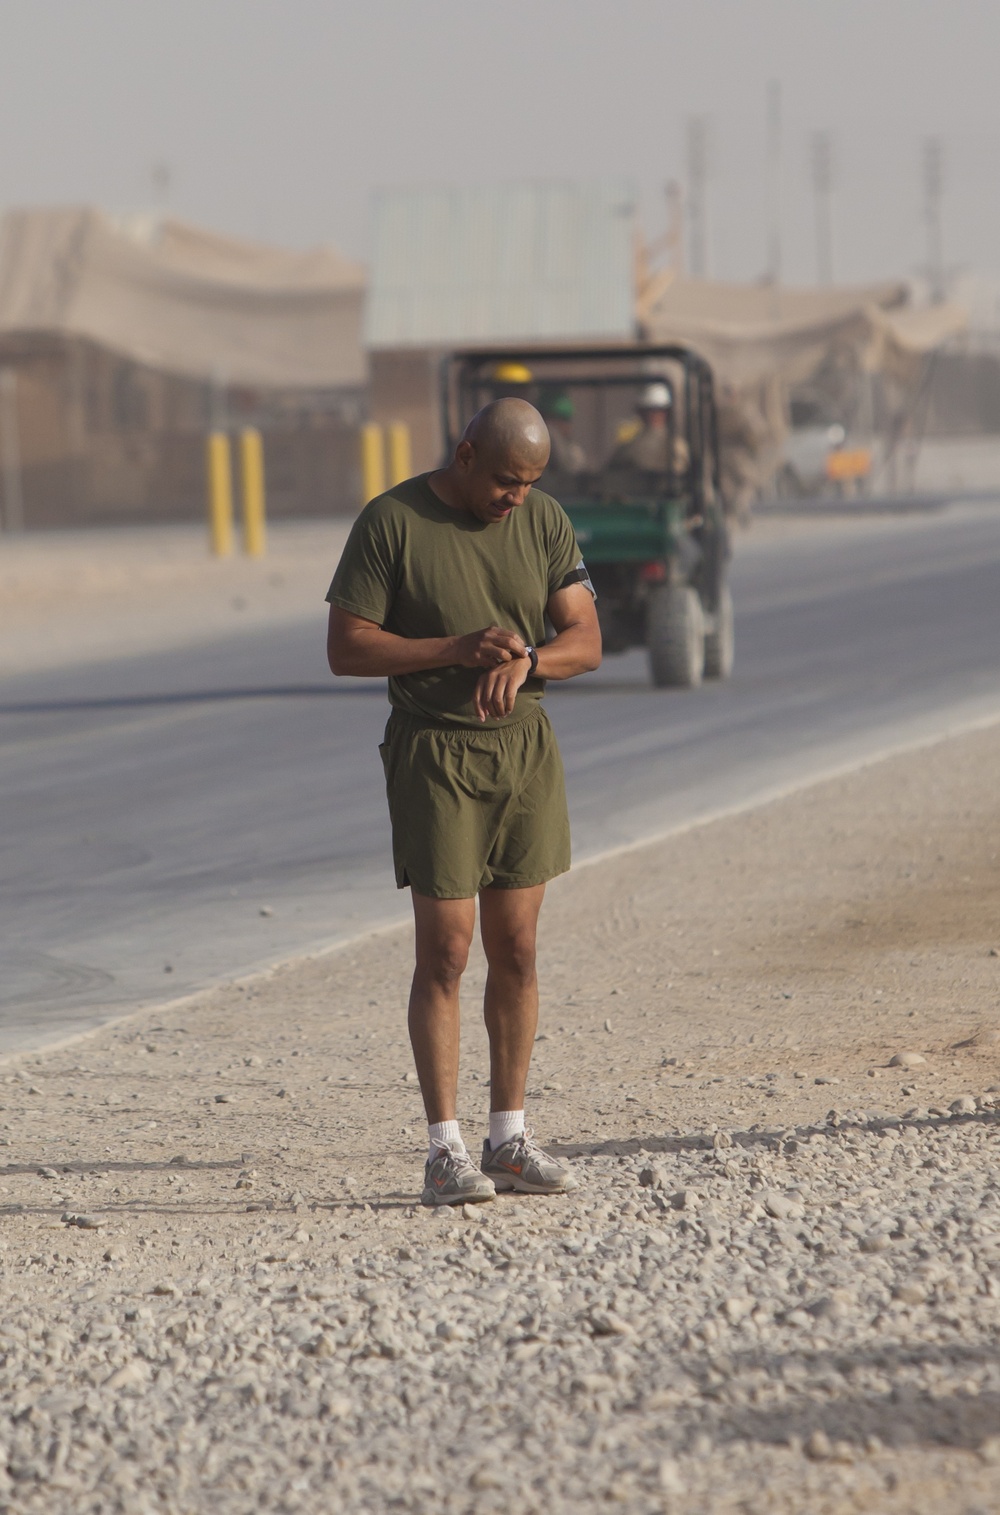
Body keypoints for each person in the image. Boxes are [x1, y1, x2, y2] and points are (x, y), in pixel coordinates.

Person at [326, 398, 602, 1207]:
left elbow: (587, 638)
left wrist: (531, 663)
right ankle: (445, 1152)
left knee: (515, 948)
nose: (515, 497)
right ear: (467, 452)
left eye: (529, 483)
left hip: (523, 754)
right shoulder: (392, 521)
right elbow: (346, 646)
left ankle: (508, 1139)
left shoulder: (546, 521)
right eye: (506, 481)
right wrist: (455, 648)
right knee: (445, 952)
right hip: (435, 754)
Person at [608, 380, 689, 477]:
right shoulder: (628, 447)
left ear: (666, 413)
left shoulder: (675, 445)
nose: (654, 415)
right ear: (641, 412)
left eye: (658, 411)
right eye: (650, 410)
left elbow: (679, 477)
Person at [537, 390, 588, 476]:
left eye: (565, 420)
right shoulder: (531, 452)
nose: (550, 430)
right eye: (548, 421)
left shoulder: (574, 454)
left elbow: (574, 471)